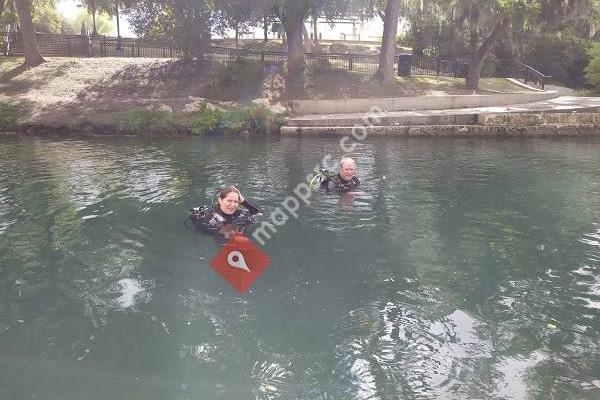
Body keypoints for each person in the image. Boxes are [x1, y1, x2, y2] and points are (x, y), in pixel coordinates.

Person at [188, 186, 262, 235]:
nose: (233, 205)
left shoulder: (239, 213)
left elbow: (258, 212)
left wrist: (243, 201)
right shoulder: (209, 216)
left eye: (236, 202)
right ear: (220, 200)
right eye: (229, 201)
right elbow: (199, 225)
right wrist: (222, 231)